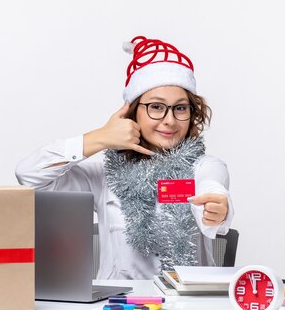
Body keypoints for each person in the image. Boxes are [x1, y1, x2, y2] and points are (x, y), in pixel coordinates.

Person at [15, 36, 234, 279]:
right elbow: (29, 175)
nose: (170, 120)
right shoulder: (104, 176)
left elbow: (212, 186)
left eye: (180, 108)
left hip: (187, 309)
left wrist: (217, 207)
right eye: (157, 107)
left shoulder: (204, 167)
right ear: (134, 112)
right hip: (120, 307)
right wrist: (100, 137)